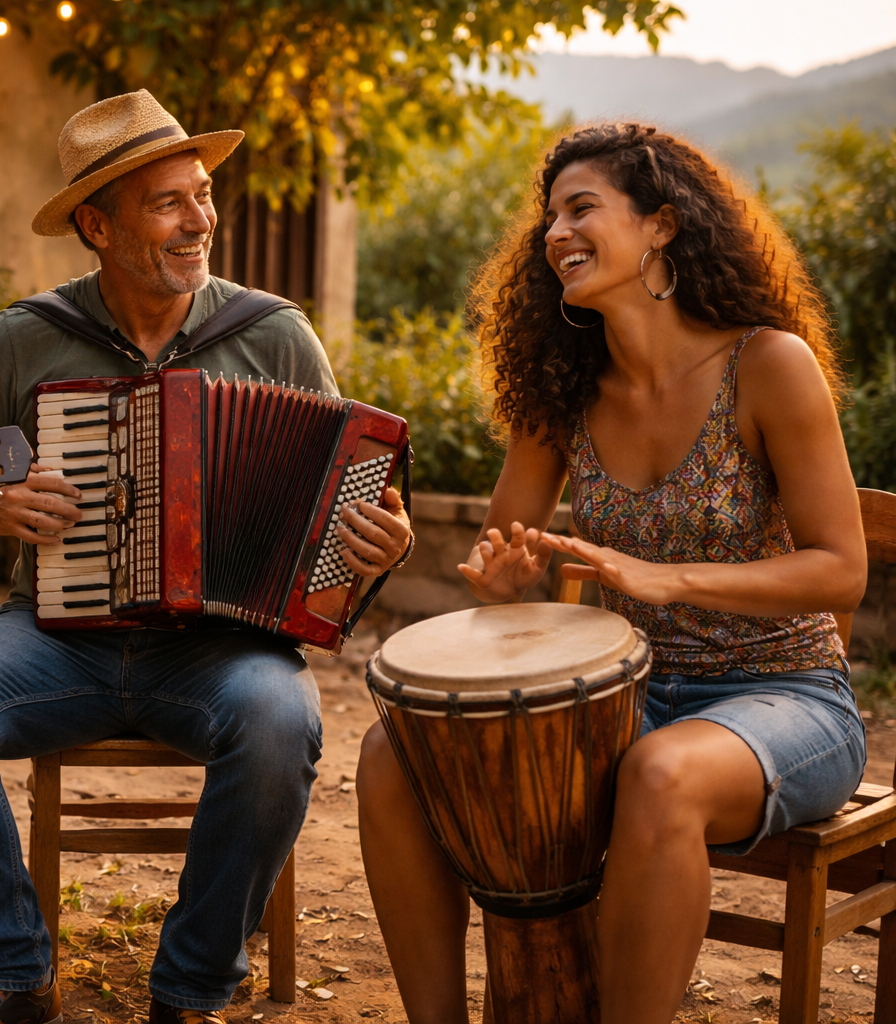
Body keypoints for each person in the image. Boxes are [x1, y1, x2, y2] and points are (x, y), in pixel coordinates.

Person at [0, 90, 413, 1024]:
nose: (199, 220)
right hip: (53, 639)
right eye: (168, 202)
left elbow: (344, 507)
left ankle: (191, 992)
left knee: (280, 720)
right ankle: (10, 973)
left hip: (219, 650)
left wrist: (377, 545)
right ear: (97, 223)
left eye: (202, 195)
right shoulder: (27, 336)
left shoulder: (271, 333)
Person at [355, 122, 867, 1023]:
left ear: (663, 224)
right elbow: (500, 551)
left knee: (661, 776)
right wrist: (503, 583)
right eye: (549, 216)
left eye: (581, 208)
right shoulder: (563, 393)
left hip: (784, 697)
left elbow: (840, 572)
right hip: (619, 697)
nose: (555, 233)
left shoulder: (768, 364)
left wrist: (671, 580)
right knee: (393, 753)